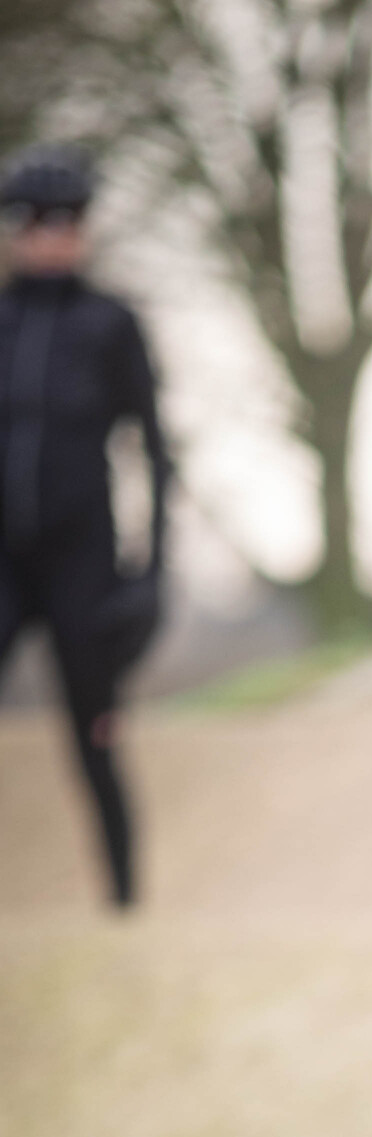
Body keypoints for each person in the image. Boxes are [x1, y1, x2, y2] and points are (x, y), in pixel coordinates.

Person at [0, 144, 170, 907]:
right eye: (36, 221)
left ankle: (124, 901)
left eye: (68, 221)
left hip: (83, 556)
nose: (51, 235)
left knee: (96, 737)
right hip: (5, 558)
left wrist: (153, 568)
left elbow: (156, 448)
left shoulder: (111, 324)